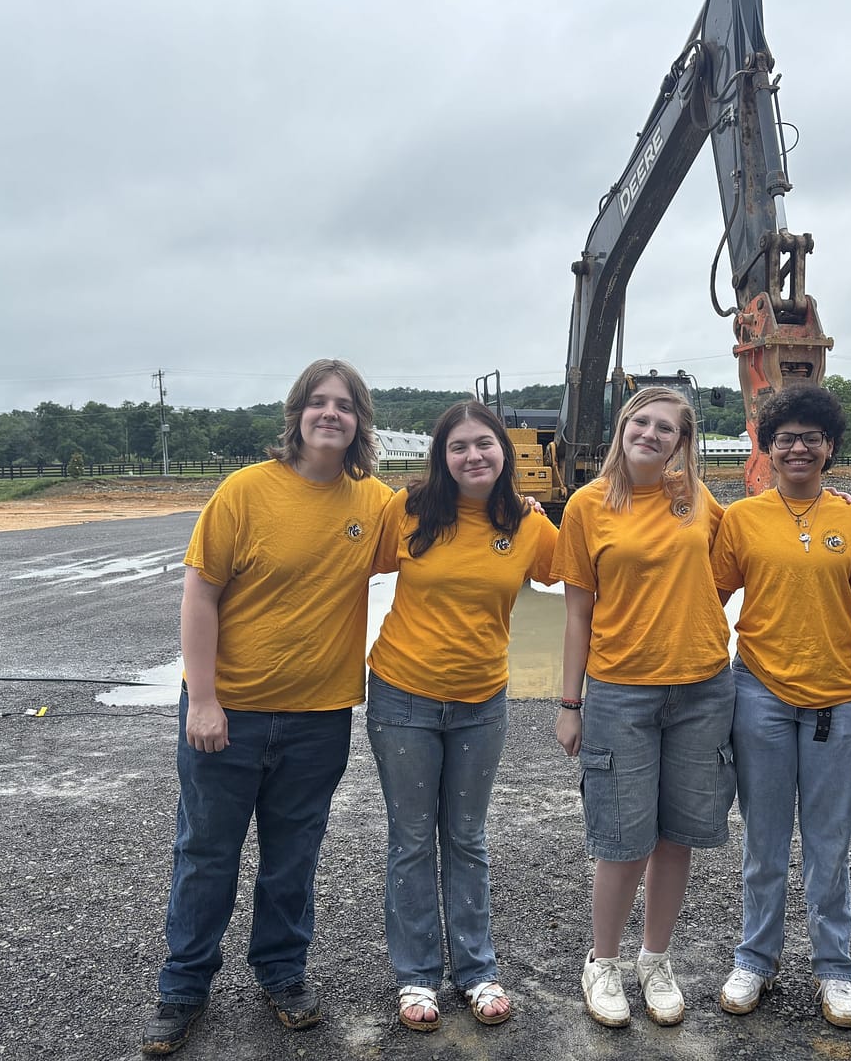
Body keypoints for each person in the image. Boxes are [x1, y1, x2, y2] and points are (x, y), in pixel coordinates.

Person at [141, 359, 395, 1056]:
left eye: (345, 405)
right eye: (319, 402)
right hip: (231, 712)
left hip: (319, 718)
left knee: (293, 858)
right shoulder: (245, 492)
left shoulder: (373, 503)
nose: (331, 414)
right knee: (206, 854)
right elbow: (199, 595)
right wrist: (204, 699)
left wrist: (512, 509)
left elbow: (441, 537)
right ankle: (183, 986)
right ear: (297, 415)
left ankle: (282, 972)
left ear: (359, 422)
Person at [366, 400, 558, 1032]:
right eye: (459, 447)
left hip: (481, 701)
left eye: (485, 445)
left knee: (467, 839)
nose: (473, 456)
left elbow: (593, 563)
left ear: (504, 452)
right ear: (441, 457)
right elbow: (341, 560)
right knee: (413, 839)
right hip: (403, 696)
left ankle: (475, 970)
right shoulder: (410, 510)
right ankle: (417, 976)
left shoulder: (526, 524)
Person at [553, 386, 734, 1029]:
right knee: (623, 836)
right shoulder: (587, 506)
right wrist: (569, 702)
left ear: (682, 442)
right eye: (642, 422)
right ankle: (602, 963)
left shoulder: (697, 500)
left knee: (677, 834)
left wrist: (838, 503)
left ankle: (654, 958)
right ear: (622, 428)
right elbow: (577, 612)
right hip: (621, 690)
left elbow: (751, 546)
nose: (652, 434)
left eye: (667, 428)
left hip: (703, 688)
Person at [710, 385, 851, 1027]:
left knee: (829, 843)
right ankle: (755, 957)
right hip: (759, 693)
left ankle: (835, 969)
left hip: (839, 698)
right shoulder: (741, 520)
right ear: (768, 448)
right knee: (763, 839)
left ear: (830, 447)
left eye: (812, 437)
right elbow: (708, 599)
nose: (799, 447)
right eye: (786, 438)